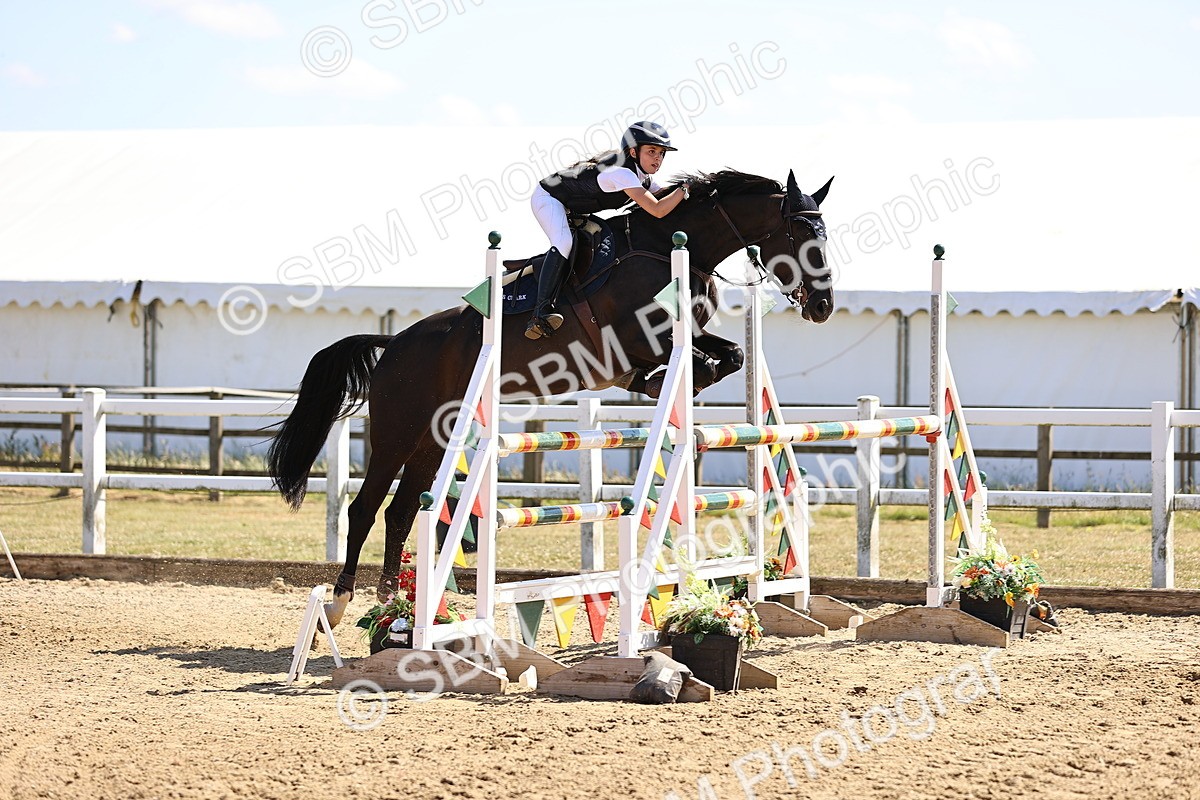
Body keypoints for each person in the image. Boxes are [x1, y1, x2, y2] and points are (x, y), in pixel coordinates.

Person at [525, 120, 690, 339]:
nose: (658, 158)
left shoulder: (642, 178)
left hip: (572, 207)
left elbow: (665, 195)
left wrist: (693, 190)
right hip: (549, 197)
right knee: (564, 242)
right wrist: (685, 188)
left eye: (661, 153)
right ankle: (540, 312)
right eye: (652, 151)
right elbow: (658, 209)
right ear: (633, 151)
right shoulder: (623, 174)